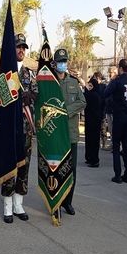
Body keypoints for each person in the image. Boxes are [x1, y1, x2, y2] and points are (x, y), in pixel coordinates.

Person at [2, 34, 37, 223]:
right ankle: (7, 205)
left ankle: (18, 204)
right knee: (10, 166)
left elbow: (36, 94)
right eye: (18, 47)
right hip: (10, 128)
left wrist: (30, 95)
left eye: (24, 47)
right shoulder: (5, 73)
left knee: (24, 166)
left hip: (25, 129)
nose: (21, 50)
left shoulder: (29, 74)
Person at [54, 48, 87, 215]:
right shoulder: (49, 82)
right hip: (56, 135)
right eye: (60, 62)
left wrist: (66, 110)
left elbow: (83, 102)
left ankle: (68, 202)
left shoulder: (73, 82)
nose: (63, 64)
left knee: (71, 170)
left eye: (64, 61)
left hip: (71, 134)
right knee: (57, 169)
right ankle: (56, 202)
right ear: (54, 63)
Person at [104, 59, 127, 183]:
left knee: (116, 146)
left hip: (119, 116)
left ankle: (117, 175)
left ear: (120, 68)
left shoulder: (116, 81)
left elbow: (106, 93)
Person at [84, 71, 104, 168]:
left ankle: (93, 160)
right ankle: (90, 158)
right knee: (90, 140)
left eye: (91, 86)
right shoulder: (96, 94)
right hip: (92, 121)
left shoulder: (92, 95)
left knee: (93, 141)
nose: (89, 88)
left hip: (94, 121)